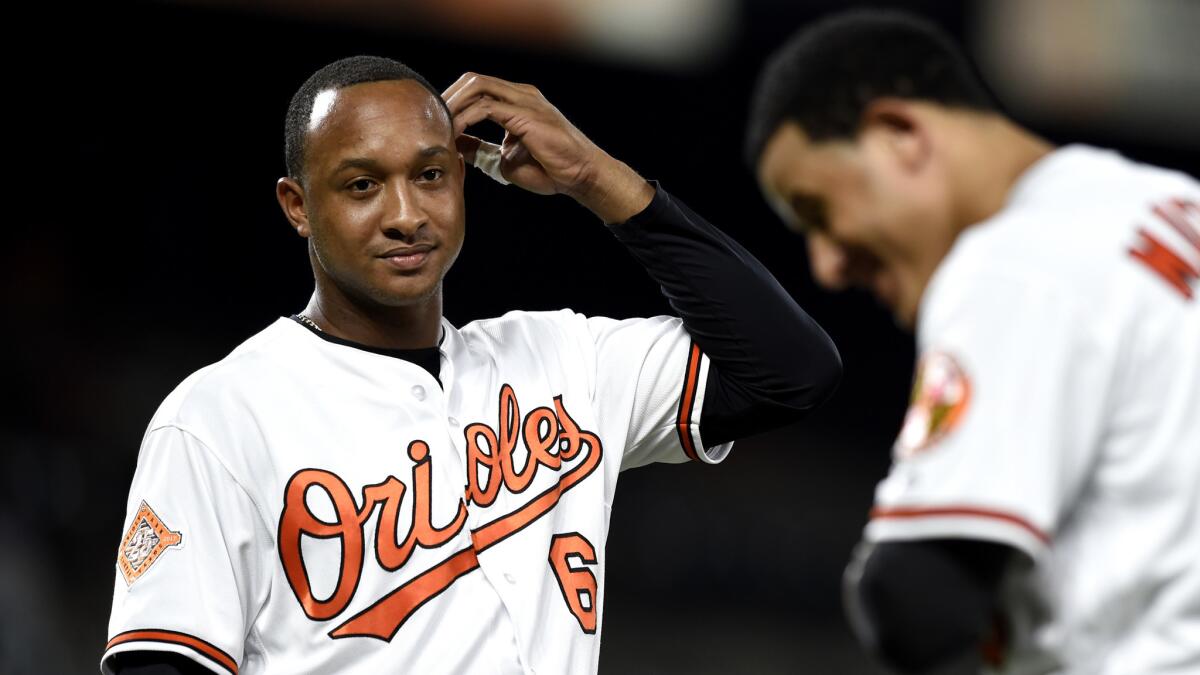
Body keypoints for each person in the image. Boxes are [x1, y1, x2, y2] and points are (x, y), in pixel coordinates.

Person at [101, 56, 841, 674]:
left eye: (429, 174)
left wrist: (594, 176)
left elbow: (790, 368)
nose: (406, 214)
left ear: (463, 174)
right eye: (363, 185)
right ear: (297, 205)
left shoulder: (564, 360)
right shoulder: (222, 415)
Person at [746, 9, 1200, 675]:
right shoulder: (1173, 202)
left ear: (899, 134)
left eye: (818, 211)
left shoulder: (1016, 259)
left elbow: (915, 596)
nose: (826, 265)